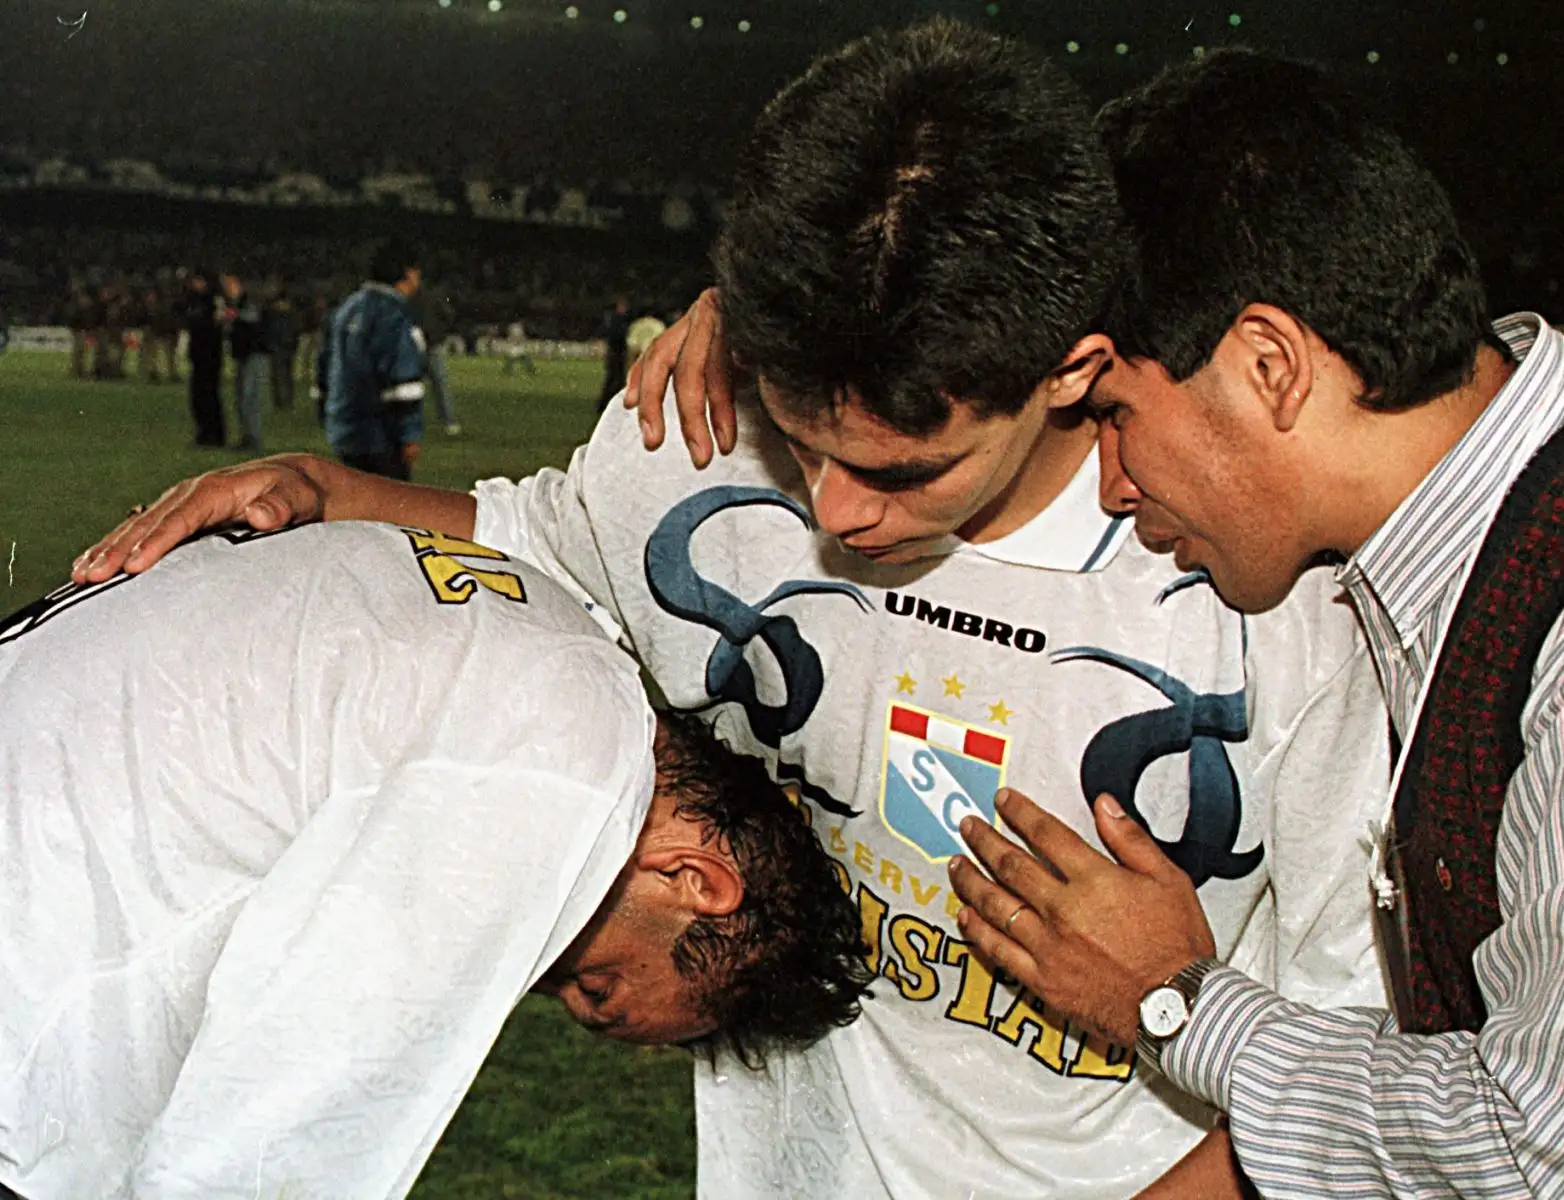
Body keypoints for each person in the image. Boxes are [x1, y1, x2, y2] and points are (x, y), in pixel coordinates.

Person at [71, 23, 1391, 1199]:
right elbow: (556, 549)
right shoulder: (698, 448)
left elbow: (1354, 1048)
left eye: (902, 469)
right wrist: (329, 489)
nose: (837, 515)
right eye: (805, 441)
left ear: (1070, 372)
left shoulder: (1274, 598)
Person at [945, 50, 1564, 1199]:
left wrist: (1176, 1002)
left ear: (1270, 366)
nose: (1110, 481)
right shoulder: (1447, 535)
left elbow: (1552, 1157)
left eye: (1115, 414)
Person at [2, 520, 868, 1200]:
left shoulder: (549, 627)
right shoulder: (555, 778)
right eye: (599, 991)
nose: (550, 987)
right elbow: (269, 1146)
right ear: (696, 881)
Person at [319, 240, 430, 480]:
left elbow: (324, 366)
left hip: (343, 429)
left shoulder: (347, 308)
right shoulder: (393, 313)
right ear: (408, 273)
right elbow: (403, 381)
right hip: (380, 433)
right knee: (388, 509)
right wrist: (409, 434)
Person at [181, 270, 226, 446]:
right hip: (199, 356)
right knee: (198, 397)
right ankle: (204, 433)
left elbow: (213, 324)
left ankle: (214, 435)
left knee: (209, 396)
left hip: (210, 356)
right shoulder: (193, 300)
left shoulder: (212, 301)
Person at [225, 276, 271, 450]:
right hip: (243, 355)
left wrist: (234, 316)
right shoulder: (238, 303)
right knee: (241, 398)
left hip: (254, 354)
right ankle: (246, 436)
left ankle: (253, 438)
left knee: (250, 397)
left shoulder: (250, 302)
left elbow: (252, 322)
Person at [419, 288, 463, 435]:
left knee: (410, 384)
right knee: (440, 384)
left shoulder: (410, 297)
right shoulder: (436, 296)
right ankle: (449, 422)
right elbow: (449, 315)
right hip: (432, 345)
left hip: (420, 346)